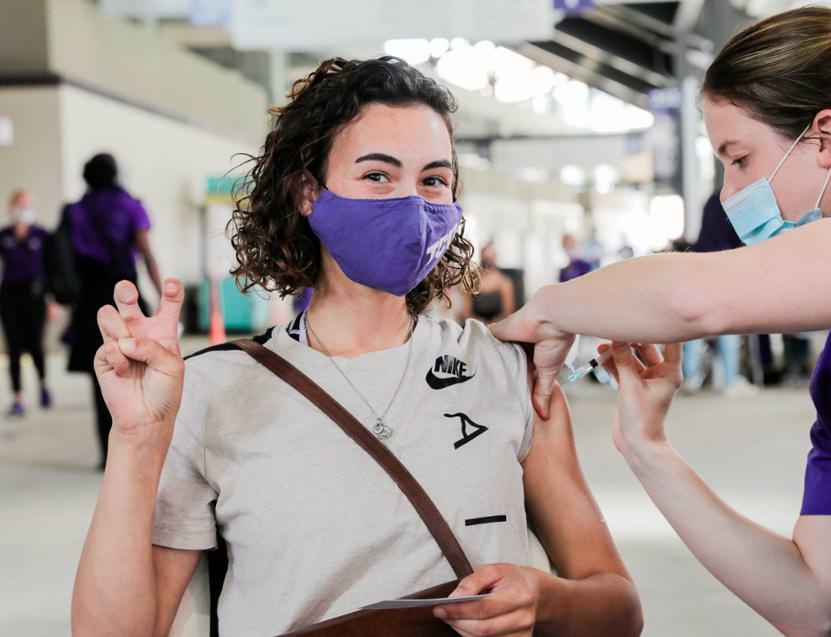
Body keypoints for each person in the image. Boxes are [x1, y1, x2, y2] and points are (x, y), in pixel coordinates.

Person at [72, 57, 642, 637]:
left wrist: (544, 599)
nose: (412, 205)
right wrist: (137, 442)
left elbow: (617, 606)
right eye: (377, 176)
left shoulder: (506, 370)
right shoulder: (214, 391)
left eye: (433, 180)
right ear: (306, 193)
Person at [492, 8, 831, 635]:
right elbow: (811, 602)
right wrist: (647, 449)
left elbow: (694, 300)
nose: (731, 198)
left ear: (824, 139)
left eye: (739, 160)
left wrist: (547, 309)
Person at [65, 152, 162, 468]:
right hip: (125, 296)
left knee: (102, 374)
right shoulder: (130, 205)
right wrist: (163, 295)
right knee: (139, 370)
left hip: (90, 301)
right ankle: (139, 447)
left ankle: (106, 454)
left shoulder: (75, 211)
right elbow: (146, 252)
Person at [679, 192, 757, 398]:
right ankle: (730, 380)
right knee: (727, 328)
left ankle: (689, 377)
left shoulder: (712, 200)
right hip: (723, 265)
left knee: (695, 328)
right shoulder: (736, 201)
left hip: (699, 263)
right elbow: (740, 237)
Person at [0, 190, 52, 417]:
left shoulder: (41, 235)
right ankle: (17, 397)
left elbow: (51, 269)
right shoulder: (4, 235)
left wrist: (53, 300)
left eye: (27, 205)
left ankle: (43, 385)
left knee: (35, 344)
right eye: (19, 205)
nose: (23, 210)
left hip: (36, 295)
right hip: (10, 295)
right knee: (13, 348)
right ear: (11, 208)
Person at [463, 241, 515, 323]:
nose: (488, 261)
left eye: (490, 257)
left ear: (495, 257)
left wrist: (493, 325)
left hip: (498, 325)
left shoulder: (504, 282)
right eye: (486, 258)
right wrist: (479, 324)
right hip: (476, 325)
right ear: (481, 257)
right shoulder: (472, 281)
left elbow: (508, 312)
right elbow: (466, 312)